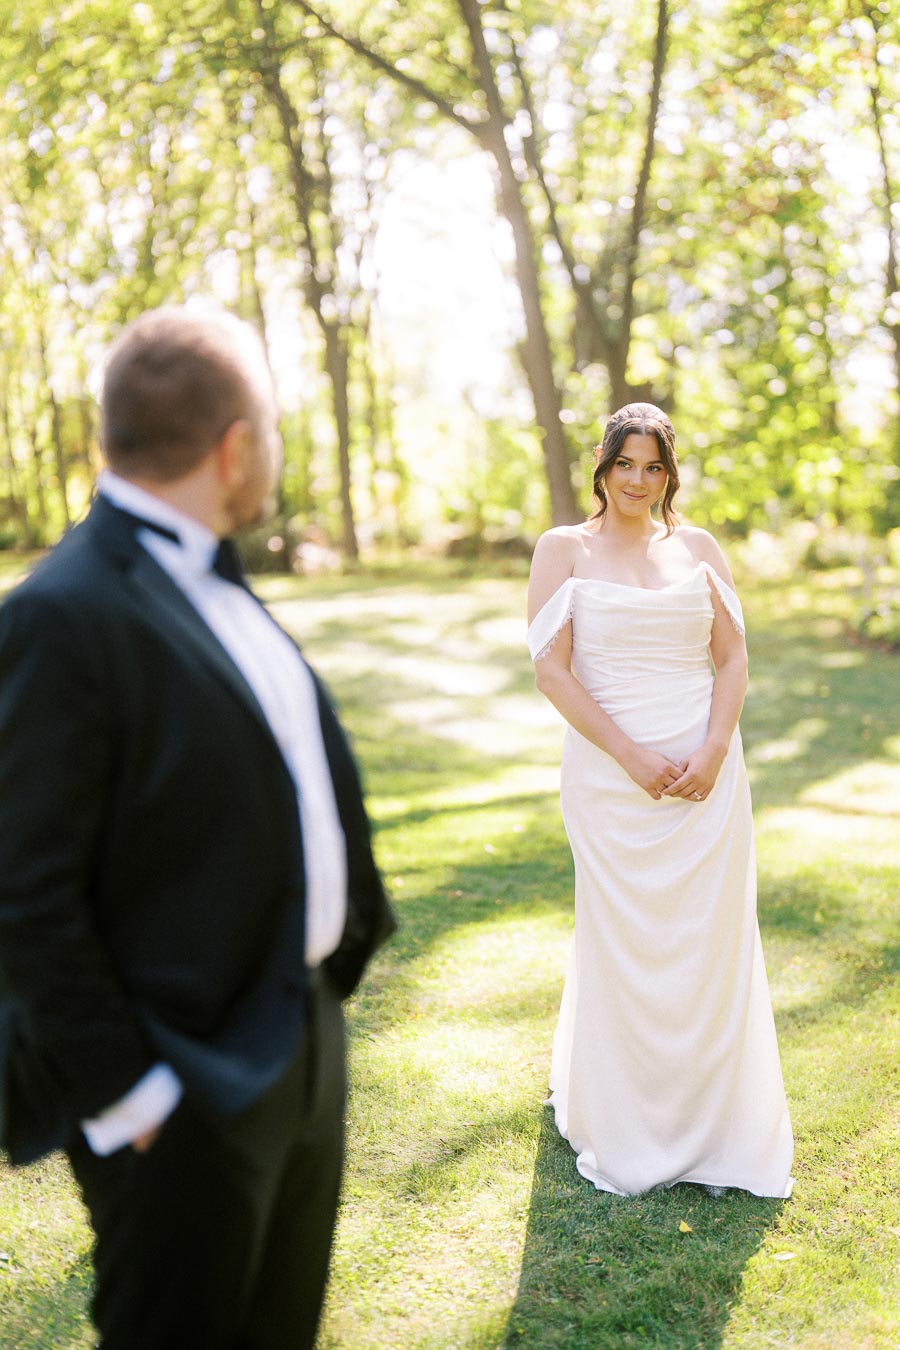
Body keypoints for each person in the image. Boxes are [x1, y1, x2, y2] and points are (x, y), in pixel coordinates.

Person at [0, 305, 396, 1348]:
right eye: (269, 430)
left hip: (296, 1040)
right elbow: (21, 891)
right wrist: (133, 1099)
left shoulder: (218, 578)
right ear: (235, 448)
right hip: (180, 1096)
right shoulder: (59, 615)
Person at [527, 402, 793, 1198]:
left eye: (653, 467)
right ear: (601, 470)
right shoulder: (562, 549)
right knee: (627, 943)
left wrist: (712, 749)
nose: (638, 482)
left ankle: (717, 1126)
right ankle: (627, 1121)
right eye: (624, 466)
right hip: (612, 778)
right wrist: (632, 755)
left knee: (707, 944)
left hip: (708, 780)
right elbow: (553, 671)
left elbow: (734, 659)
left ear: (669, 473)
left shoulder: (699, 549)